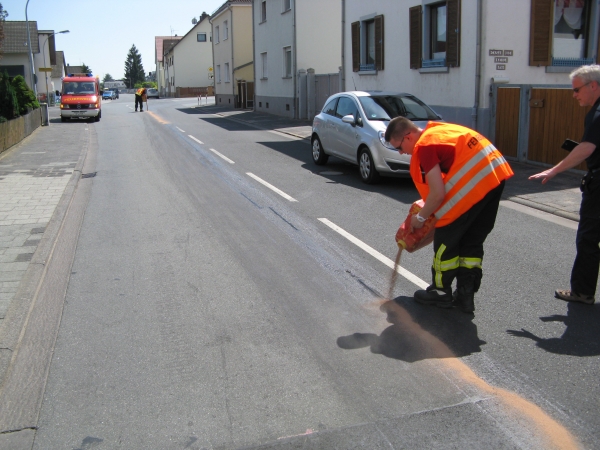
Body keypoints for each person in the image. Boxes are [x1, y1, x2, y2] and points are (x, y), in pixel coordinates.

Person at [384, 118, 513, 313]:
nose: (401, 153)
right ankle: (465, 296)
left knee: (445, 242)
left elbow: (437, 195)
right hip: (493, 179)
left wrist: (420, 219)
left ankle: (440, 292)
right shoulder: (440, 131)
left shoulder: (425, 146)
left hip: (474, 187)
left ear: (408, 137)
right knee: (472, 241)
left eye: (399, 147)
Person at [529, 64, 600, 305]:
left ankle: (582, 292)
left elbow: (588, 147)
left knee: (589, 238)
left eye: (577, 89)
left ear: (593, 85)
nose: (574, 95)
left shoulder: (597, 113)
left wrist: (555, 169)